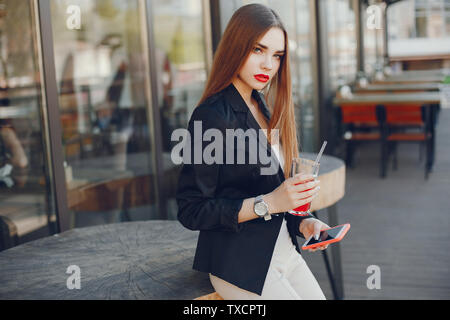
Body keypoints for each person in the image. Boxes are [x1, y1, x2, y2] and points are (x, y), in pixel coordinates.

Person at [176, 4, 329, 300]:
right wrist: (269, 202)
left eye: (277, 55)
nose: (268, 65)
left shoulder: (262, 106)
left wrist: (304, 221)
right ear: (236, 47)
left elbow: (273, 192)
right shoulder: (212, 116)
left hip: (284, 251)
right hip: (239, 264)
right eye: (258, 50)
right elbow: (191, 209)